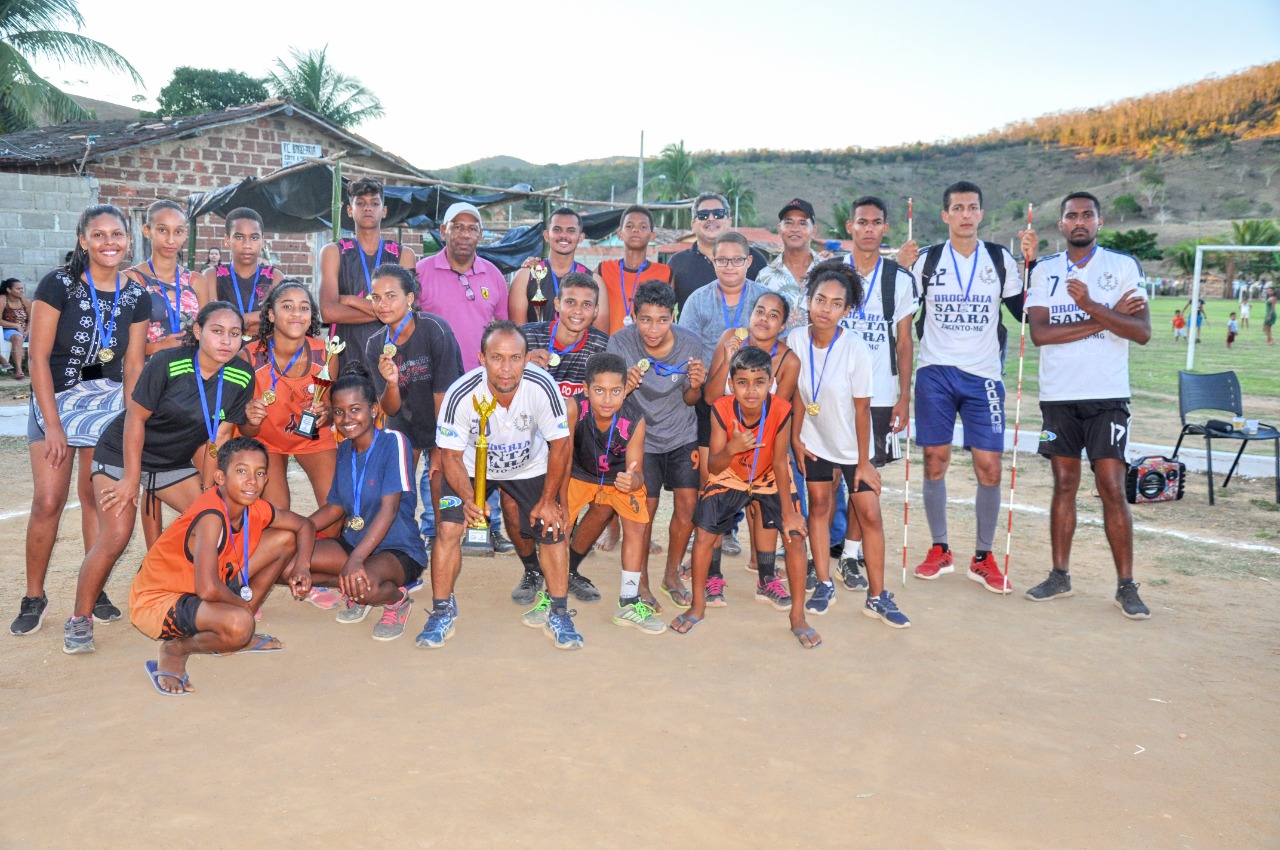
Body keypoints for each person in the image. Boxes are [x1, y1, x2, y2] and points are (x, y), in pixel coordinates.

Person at [63, 301, 260, 654]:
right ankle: (80, 618)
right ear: (198, 332)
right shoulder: (167, 363)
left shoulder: (242, 376)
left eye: (235, 334)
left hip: (172, 461)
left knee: (214, 520)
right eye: (217, 331)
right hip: (121, 452)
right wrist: (129, 480)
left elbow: (221, 435)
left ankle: (199, 600)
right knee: (116, 535)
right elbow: (135, 420)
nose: (226, 341)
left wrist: (208, 483)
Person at [10, 204, 152, 637]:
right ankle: (34, 595)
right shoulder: (59, 284)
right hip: (55, 399)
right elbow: (36, 355)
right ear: (82, 239)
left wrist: (131, 422)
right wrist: (52, 426)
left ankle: (96, 588)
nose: (109, 242)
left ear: (129, 240)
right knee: (48, 502)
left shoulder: (137, 294)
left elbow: (132, 364)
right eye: (99, 234)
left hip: (107, 404)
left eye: (117, 235)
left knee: (95, 500)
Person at [1024, 191, 1153, 619]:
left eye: (1087, 215)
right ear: (1060, 225)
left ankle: (1126, 585)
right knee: (1064, 484)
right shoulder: (1045, 270)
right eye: (1071, 216)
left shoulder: (1122, 267)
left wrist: (1091, 305)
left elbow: (1141, 331)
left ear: (1099, 222)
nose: (1079, 221)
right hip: (1058, 395)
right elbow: (1041, 334)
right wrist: (1106, 315)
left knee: (1111, 487)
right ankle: (1060, 575)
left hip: (1107, 395)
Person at [902, 180, 1035, 593]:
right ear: (945, 216)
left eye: (971, 207)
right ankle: (939, 548)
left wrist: (1031, 264)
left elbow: (1023, 312)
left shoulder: (999, 259)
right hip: (935, 372)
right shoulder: (926, 259)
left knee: (989, 467)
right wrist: (902, 269)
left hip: (984, 376)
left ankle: (983, 555)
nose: (964, 214)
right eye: (957, 207)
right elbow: (903, 309)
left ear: (980, 214)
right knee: (935, 461)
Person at [419, 321, 580, 650]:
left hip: (527, 467)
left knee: (551, 527)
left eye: (515, 358)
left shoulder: (542, 386)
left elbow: (561, 446)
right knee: (448, 529)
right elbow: (449, 456)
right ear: (481, 358)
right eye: (497, 358)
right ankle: (441, 610)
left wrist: (549, 499)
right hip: (467, 469)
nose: (506, 369)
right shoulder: (461, 394)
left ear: (526, 358)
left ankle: (560, 611)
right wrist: (467, 498)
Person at [130, 437, 316, 695]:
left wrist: (302, 567)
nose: (252, 481)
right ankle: (175, 649)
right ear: (220, 477)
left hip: (201, 586)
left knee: (284, 540)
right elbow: (207, 588)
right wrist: (243, 610)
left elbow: (304, 525)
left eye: (259, 473)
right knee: (240, 623)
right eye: (241, 471)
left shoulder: (254, 507)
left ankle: (233, 634)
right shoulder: (211, 515)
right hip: (159, 601)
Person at [788, 260, 910, 626]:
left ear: (847, 309)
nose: (826, 309)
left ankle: (877, 596)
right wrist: (795, 436)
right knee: (820, 508)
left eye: (836, 303)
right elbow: (796, 395)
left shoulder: (856, 348)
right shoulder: (795, 340)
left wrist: (863, 461)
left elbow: (862, 411)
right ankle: (823, 583)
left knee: (869, 514)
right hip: (814, 440)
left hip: (853, 447)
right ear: (808, 301)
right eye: (820, 300)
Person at [671, 346, 818, 645]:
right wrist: (732, 448)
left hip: (768, 476)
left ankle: (798, 616)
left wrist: (789, 512)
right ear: (732, 384)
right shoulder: (721, 409)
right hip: (730, 473)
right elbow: (713, 465)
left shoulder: (781, 409)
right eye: (742, 382)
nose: (751, 390)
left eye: (759, 382)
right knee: (703, 536)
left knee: (794, 536)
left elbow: (779, 462)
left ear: (770, 384)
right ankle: (697, 607)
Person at [300, 364, 428, 640]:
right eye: (339, 411)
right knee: (288, 564)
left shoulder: (393, 442)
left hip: (397, 548)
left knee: (367, 587)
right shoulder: (345, 449)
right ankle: (353, 586)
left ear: (373, 409)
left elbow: (390, 508)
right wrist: (299, 530)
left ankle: (396, 600)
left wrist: (356, 559)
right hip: (355, 542)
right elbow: (335, 507)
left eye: (355, 409)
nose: (347, 418)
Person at [415, 201, 512, 553]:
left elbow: (503, 330)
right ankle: (435, 527)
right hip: (436, 389)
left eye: (472, 228)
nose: (464, 234)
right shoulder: (422, 272)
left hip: (485, 387)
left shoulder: (494, 275)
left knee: (490, 456)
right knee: (440, 458)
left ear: (481, 235)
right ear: (443, 231)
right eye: (457, 226)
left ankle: (490, 526)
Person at [834, 196, 919, 590]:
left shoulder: (900, 279)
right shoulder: (831, 272)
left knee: (864, 478)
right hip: (833, 392)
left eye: (876, 223)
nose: (869, 229)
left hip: (881, 395)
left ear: (885, 229)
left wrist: (905, 395)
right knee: (828, 475)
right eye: (862, 222)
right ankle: (820, 549)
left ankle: (851, 555)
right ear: (849, 227)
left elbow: (904, 341)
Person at [605, 282, 706, 608]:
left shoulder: (690, 342)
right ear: (633, 316)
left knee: (688, 504)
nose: (653, 328)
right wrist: (625, 388)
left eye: (662, 319)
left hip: (681, 434)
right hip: (640, 438)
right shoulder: (619, 343)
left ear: (673, 316)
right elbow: (609, 403)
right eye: (645, 319)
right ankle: (642, 581)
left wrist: (695, 385)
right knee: (643, 511)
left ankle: (672, 574)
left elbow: (692, 400)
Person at [512, 272, 609, 603]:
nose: (577, 311)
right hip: (527, 441)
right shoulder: (527, 336)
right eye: (570, 302)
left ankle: (569, 567)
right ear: (556, 304)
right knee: (512, 505)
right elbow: (496, 379)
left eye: (586, 305)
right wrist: (521, 363)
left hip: (576, 445)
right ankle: (532, 570)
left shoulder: (601, 345)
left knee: (603, 498)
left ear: (596, 310)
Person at [556, 352, 664, 633]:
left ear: (625, 389)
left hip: (617, 480)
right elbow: (563, 457)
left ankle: (628, 601)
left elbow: (637, 470)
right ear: (585, 389)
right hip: (579, 474)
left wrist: (634, 480)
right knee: (559, 524)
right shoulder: (573, 408)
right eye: (599, 391)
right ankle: (553, 597)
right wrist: (560, 499)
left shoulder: (635, 420)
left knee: (637, 527)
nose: (607, 399)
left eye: (616, 391)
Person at [701, 291, 799, 593]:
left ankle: (764, 572)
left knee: (763, 503)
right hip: (722, 428)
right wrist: (728, 358)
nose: (764, 319)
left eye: (773, 315)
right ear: (750, 314)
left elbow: (773, 415)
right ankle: (712, 573)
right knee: (713, 499)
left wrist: (751, 450)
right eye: (760, 311)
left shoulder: (788, 360)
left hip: (763, 440)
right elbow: (711, 396)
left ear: (783, 324)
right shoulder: (732, 337)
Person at [679, 230, 769, 557]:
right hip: (710, 398)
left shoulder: (764, 299)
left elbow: (775, 345)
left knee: (750, 470)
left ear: (748, 261)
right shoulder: (697, 301)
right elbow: (687, 349)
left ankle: (731, 529)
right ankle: (706, 531)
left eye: (736, 260)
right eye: (721, 260)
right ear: (712, 261)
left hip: (752, 400)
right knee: (711, 472)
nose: (729, 266)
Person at [364, 263, 464, 557]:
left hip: (442, 418)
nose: (382, 304)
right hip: (403, 425)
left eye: (390, 296)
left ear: (410, 297)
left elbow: (444, 394)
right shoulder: (375, 345)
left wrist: (441, 448)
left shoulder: (434, 329)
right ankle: (404, 545)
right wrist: (391, 382)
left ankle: (440, 537)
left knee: (439, 481)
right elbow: (389, 407)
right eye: (376, 297)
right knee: (399, 488)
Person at [245, 281, 337, 512]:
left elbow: (331, 412)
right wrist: (250, 419)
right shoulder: (248, 357)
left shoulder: (327, 354)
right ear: (271, 315)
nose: (297, 313)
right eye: (287, 306)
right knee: (277, 515)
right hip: (266, 441)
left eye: (304, 308)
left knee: (336, 511)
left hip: (312, 438)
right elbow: (245, 430)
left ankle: (309, 541)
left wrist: (326, 414)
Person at [319, 178, 417, 373]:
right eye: (361, 203)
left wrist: (350, 300)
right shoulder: (333, 252)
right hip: (345, 356)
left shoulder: (404, 254)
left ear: (384, 210)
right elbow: (328, 312)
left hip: (392, 357)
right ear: (349, 210)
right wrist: (386, 312)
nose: (368, 208)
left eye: (374, 203)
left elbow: (406, 311)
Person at [669, 192, 768, 311]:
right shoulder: (678, 262)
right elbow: (663, 308)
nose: (711, 219)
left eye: (718, 214)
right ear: (693, 224)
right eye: (703, 215)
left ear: (729, 221)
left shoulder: (753, 259)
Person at [595, 205, 672, 333]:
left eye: (643, 226)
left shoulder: (666, 273)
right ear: (619, 234)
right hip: (612, 348)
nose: (635, 230)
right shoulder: (603, 269)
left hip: (649, 350)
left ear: (652, 235)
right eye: (629, 226)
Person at [509, 208, 592, 326]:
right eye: (557, 230)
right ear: (547, 235)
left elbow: (599, 337)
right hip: (537, 344)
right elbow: (517, 333)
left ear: (581, 237)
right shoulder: (525, 276)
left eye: (571, 230)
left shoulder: (594, 280)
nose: (563, 235)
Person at [211, 208, 281, 341]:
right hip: (223, 353)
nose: (247, 245)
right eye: (239, 237)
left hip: (265, 354)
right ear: (227, 239)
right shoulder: (212, 275)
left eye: (254, 237)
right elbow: (211, 320)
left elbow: (280, 317)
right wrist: (260, 317)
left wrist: (239, 320)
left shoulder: (275, 276)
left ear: (262, 241)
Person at [756, 199, 822, 330]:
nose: (795, 229)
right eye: (788, 222)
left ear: (813, 230)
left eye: (803, 223)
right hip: (775, 350)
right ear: (779, 228)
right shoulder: (764, 277)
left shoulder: (828, 272)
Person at [0, 277, 31, 378]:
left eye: (22, 288)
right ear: (9, 290)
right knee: (17, 338)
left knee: (47, 336)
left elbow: (32, 319)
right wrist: (16, 326)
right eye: (18, 289)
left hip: (25, 330)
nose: (21, 290)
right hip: (7, 329)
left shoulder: (25, 301)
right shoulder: (2, 299)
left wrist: (27, 330)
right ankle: (18, 370)